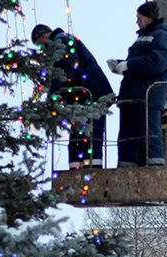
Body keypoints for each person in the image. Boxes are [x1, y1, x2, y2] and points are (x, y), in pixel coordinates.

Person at [32, 24, 113, 169]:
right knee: (78, 134)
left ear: (43, 37)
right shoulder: (60, 44)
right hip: (81, 96)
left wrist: (50, 87)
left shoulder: (63, 40)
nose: (42, 50)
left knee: (89, 133)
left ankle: (92, 169)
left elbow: (67, 68)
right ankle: (77, 167)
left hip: (91, 94)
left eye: (40, 45)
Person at [107, 1, 167, 167]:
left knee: (150, 137)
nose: (137, 21)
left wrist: (129, 65)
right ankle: (125, 170)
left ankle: (155, 171)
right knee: (127, 139)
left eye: (139, 17)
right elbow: (140, 62)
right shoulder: (143, 37)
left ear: (149, 18)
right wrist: (121, 65)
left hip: (147, 97)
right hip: (132, 97)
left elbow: (158, 62)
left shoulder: (161, 35)